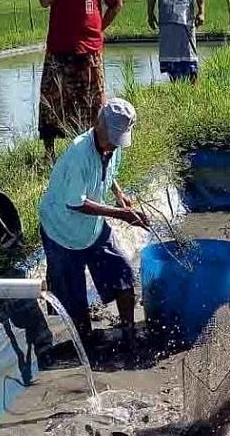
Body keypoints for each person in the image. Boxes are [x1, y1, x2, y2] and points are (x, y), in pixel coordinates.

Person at [38, 98, 149, 352]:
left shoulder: (112, 147)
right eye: (112, 136)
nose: (114, 143)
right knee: (72, 293)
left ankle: (129, 333)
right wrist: (120, 214)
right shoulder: (78, 154)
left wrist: (119, 194)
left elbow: (109, 172)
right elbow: (75, 203)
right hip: (62, 230)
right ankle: (85, 343)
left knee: (122, 272)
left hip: (93, 227)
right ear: (98, 123)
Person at [36, 0, 123, 161]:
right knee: (53, 101)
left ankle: (93, 151)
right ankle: (49, 153)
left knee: (93, 103)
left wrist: (99, 29)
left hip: (89, 51)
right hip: (59, 51)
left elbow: (116, 4)